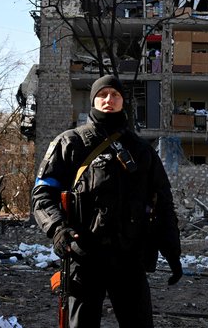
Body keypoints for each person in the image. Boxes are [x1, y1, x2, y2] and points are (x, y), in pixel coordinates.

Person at [31, 75, 182, 328]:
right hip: (84, 256)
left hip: (130, 258)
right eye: (103, 94)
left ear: (124, 102)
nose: (109, 100)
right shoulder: (70, 143)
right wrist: (58, 229)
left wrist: (172, 252)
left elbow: (163, 203)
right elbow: (42, 194)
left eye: (115, 95)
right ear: (93, 100)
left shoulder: (142, 151)